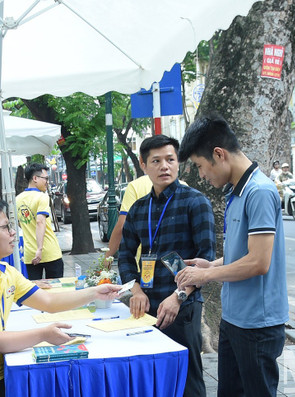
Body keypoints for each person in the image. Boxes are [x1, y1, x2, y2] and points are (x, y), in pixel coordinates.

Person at [0, 197, 120, 397]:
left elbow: (49, 302)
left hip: (1, 371)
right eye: (4, 228)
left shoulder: (5, 272)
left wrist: (95, 292)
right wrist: (43, 334)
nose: (12, 233)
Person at [176, 113, 288, 397]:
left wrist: (205, 275)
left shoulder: (259, 192)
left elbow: (259, 262)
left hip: (257, 325)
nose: (201, 175)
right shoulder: (235, 194)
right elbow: (243, 254)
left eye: (200, 166)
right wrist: (210, 264)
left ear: (219, 154)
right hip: (234, 319)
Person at [118, 135, 215, 397]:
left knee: (187, 378)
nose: (164, 166)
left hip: (182, 308)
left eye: (170, 160)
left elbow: (206, 261)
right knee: (152, 376)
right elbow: (124, 255)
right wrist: (135, 289)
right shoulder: (139, 209)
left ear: (179, 163)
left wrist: (178, 297)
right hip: (146, 306)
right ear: (143, 165)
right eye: (156, 161)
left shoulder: (196, 203)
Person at [15, 163, 64, 280]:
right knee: (55, 290)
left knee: (35, 292)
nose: (47, 182)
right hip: (49, 252)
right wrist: (39, 249)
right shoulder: (42, 197)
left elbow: (20, 223)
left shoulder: (17, 199)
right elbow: (40, 222)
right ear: (35, 178)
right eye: (45, 178)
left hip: (29, 254)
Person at [104, 174, 153, 268]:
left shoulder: (136, 186)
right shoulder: (185, 189)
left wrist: (107, 257)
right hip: (178, 270)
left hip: (147, 267)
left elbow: (122, 226)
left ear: (142, 163)